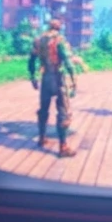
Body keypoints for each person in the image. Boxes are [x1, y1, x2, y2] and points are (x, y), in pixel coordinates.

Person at [28, 18, 81, 157]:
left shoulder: (39, 40)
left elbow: (31, 60)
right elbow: (68, 61)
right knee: (63, 111)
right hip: (58, 78)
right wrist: (74, 80)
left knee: (43, 109)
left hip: (45, 78)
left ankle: (41, 138)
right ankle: (63, 147)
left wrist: (33, 77)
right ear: (59, 27)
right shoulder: (59, 40)